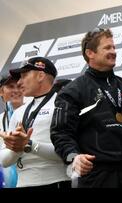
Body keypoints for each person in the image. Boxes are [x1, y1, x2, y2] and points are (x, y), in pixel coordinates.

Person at [50, 28, 122, 188]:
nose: (113, 51)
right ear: (90, 53)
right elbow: (61, 133)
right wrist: (74, 157)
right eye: (107, 48)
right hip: (94, 177)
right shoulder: (73, 91)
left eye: (114, 47)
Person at [0, 57, 70, 188]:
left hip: (55, 181)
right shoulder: (18, 112)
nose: (19, 82)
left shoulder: (63, 106)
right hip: (22, 183)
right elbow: (4, 161)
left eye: (24, 76)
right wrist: (17, 148)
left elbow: (67, 153)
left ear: (40, 75)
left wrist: (29, 145)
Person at [0, 73, 24, 188]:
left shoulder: (34, 114)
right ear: (1, 92)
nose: (16, 90)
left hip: (30, 178)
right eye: (10, 86)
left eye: (19, 86)